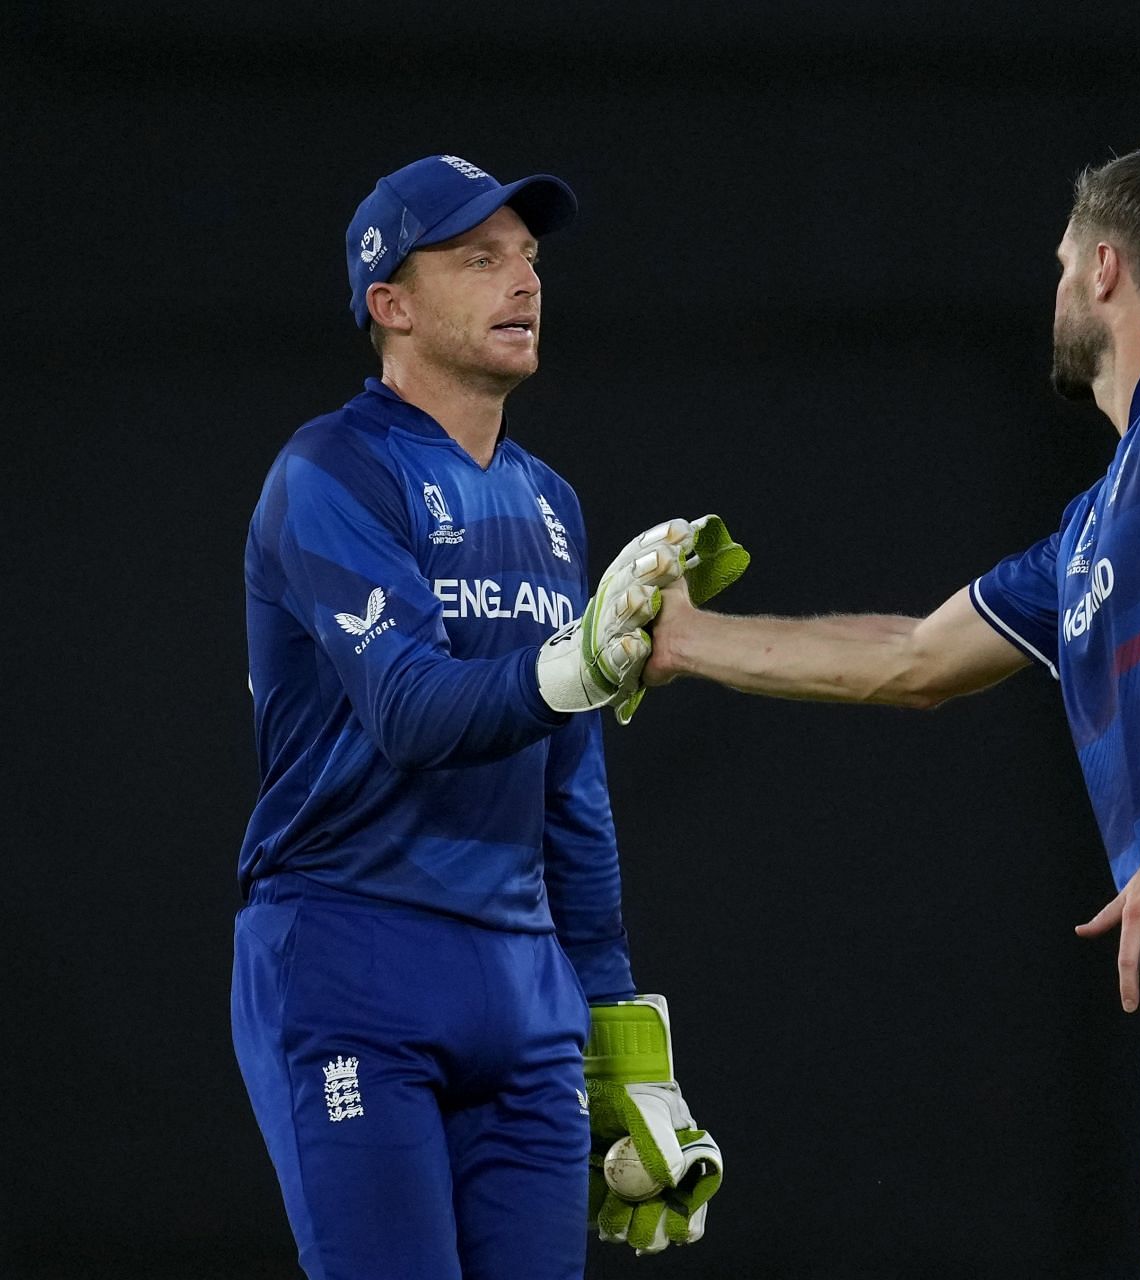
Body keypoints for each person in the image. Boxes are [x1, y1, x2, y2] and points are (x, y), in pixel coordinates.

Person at [643, 142, 1140, 1278]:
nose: (1054, 287)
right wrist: (690, 641)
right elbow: (911, 657)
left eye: (1062, 263)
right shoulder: (1095, 523)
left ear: (1105, 268)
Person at [231, 154, 722, 1280]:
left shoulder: (551, 502)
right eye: (478, 258)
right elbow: (407, 707)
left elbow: (572, 786)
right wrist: (575, 660)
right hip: (353, 949)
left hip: (525, 979)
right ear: (388, 306)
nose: (523, 282)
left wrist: (621, 1034)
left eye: (528, 259)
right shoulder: (331, 469)